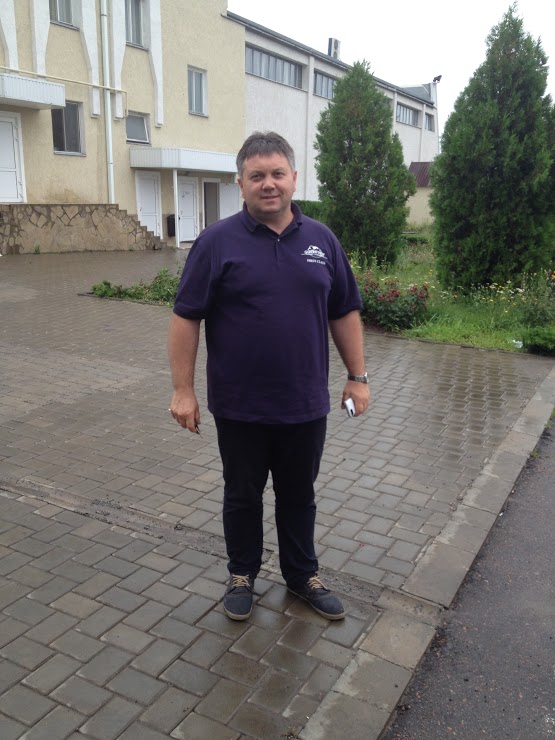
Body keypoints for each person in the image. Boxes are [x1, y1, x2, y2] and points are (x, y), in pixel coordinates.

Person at [168, 131, 370, 621]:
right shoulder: (216, 242)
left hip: (304, 403)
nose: (269, 184)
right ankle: (242, 574)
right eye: (257, 175)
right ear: (240, 183)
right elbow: (186, 316)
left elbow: (343, 310)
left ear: (294, 178)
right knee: (242, 495)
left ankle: (302, 575)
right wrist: (182, 390)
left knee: (299, 495)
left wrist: (358, 376)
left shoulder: (322, 240)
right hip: (240, 405)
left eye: (277, 173)